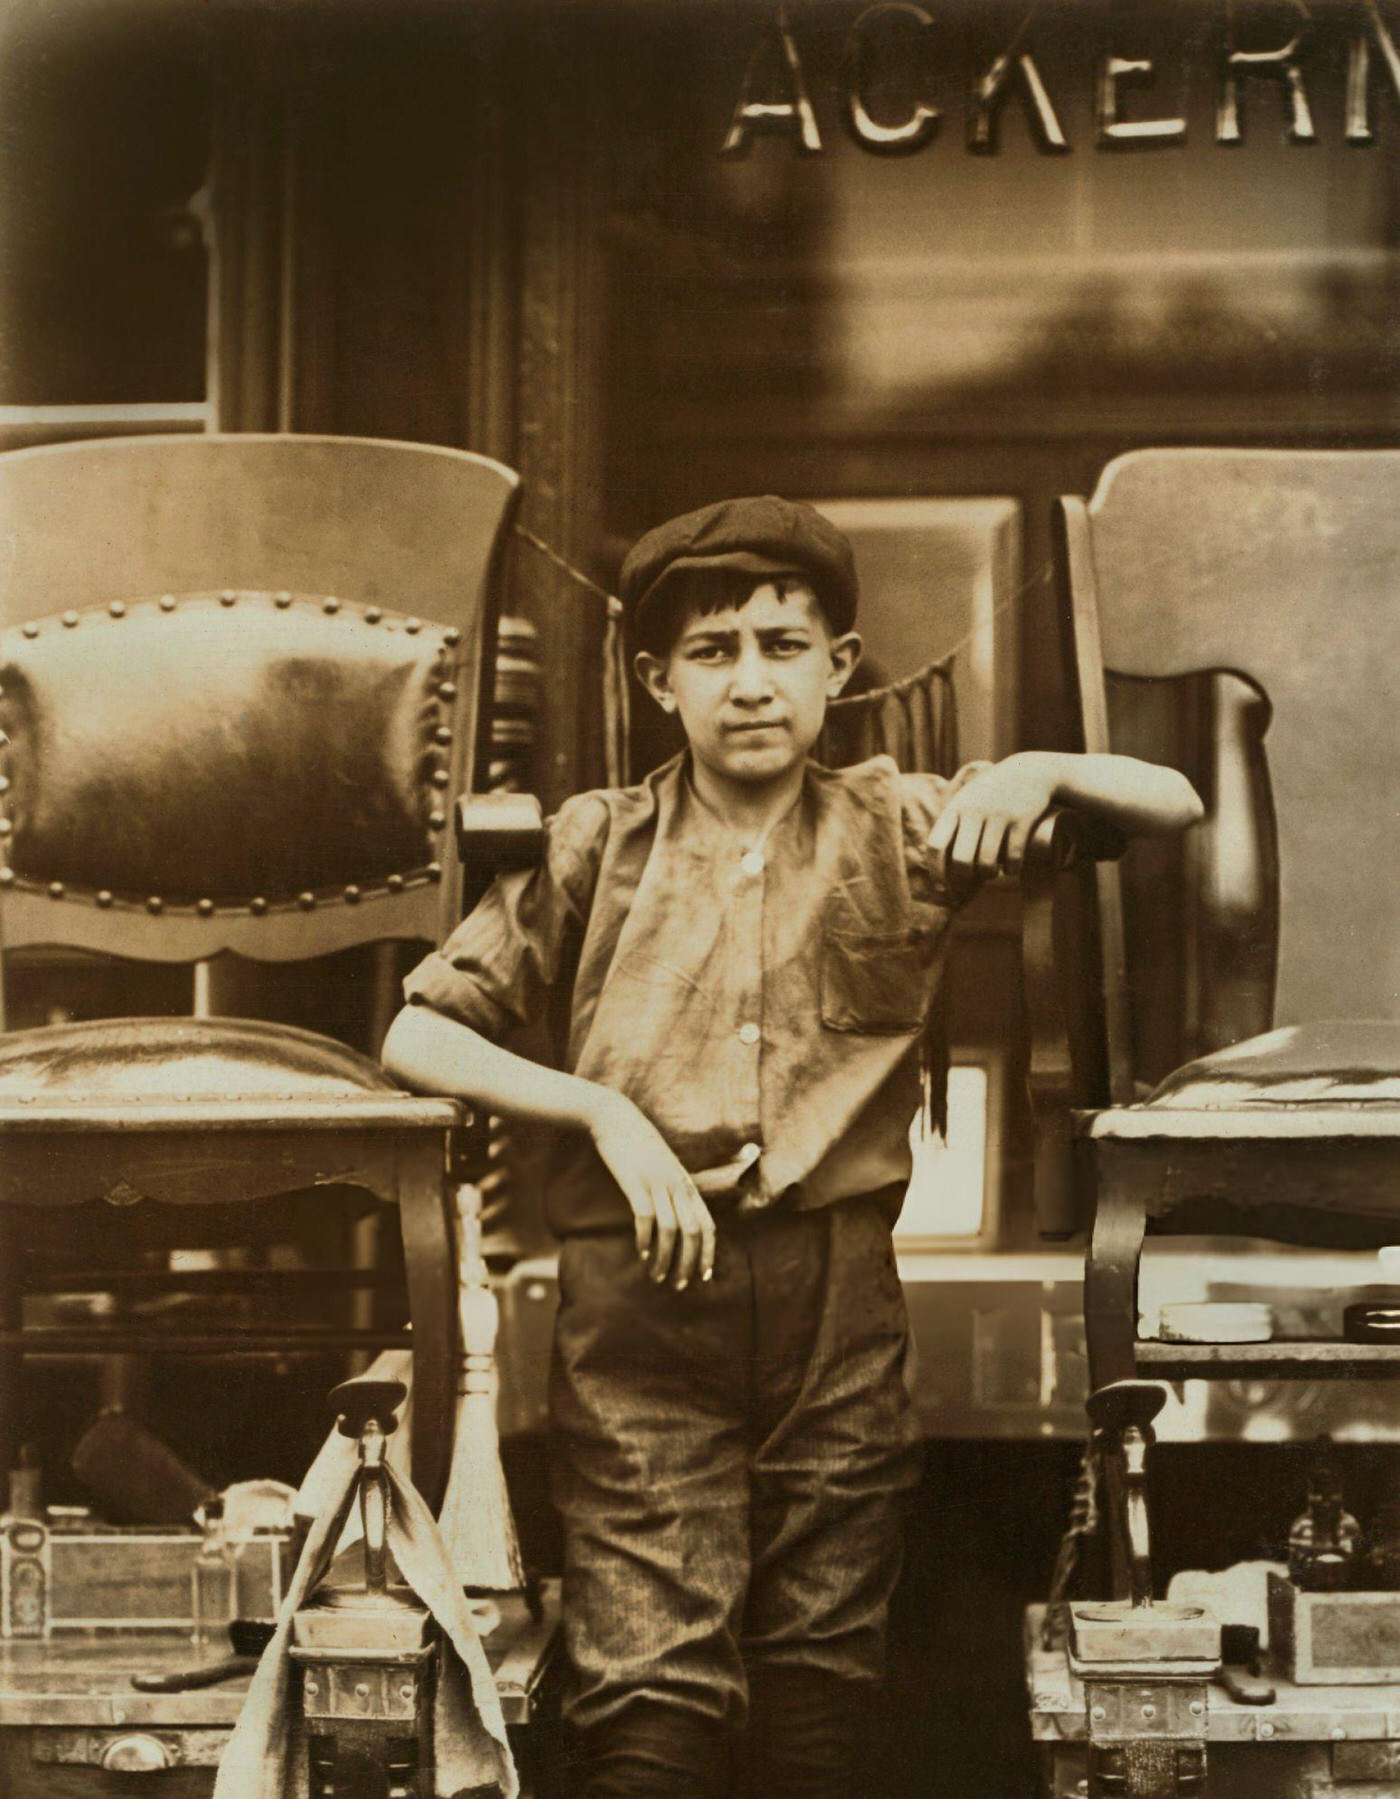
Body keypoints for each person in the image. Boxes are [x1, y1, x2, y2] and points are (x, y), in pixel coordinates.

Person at [380, 495, 1203, 1799]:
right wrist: (600, 1111)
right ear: (659, 680)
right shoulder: (596, 843)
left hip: (837, 1296)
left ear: (842, 665)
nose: (751, 681)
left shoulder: (905, 823)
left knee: (823, 1658)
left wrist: (1038, 771)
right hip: (641, 1303)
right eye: (713, 652)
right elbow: (421, 1037)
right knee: (650, 1669)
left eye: (782, 644)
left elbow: (1173, 799)